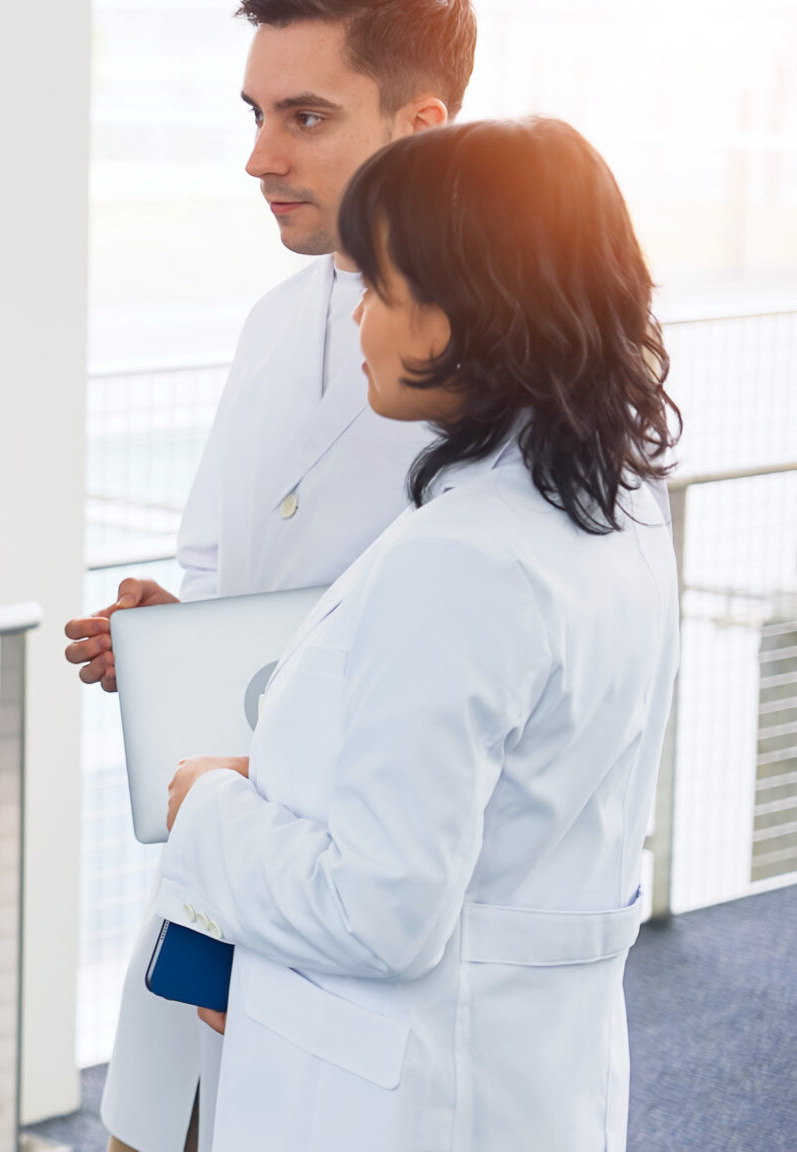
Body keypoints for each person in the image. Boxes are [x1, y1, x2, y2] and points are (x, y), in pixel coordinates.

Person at [158, 115, 680, 1151]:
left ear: (457, 315)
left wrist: (207, 805)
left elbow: (379, 912)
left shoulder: (463, 559)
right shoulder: (611, 504)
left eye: (375, 291)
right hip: (521, 1074)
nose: (356, 325)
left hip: (395, 1097)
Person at [62, 2, 476, 1149]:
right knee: (154, 1126)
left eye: (304, 117)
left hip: (344, 908)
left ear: (420, 123)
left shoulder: (487, 384)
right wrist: (169, 639)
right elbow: (227, 573)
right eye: (254, 114)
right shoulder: (269, 322)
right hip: (222, 849)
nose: (259, 156)